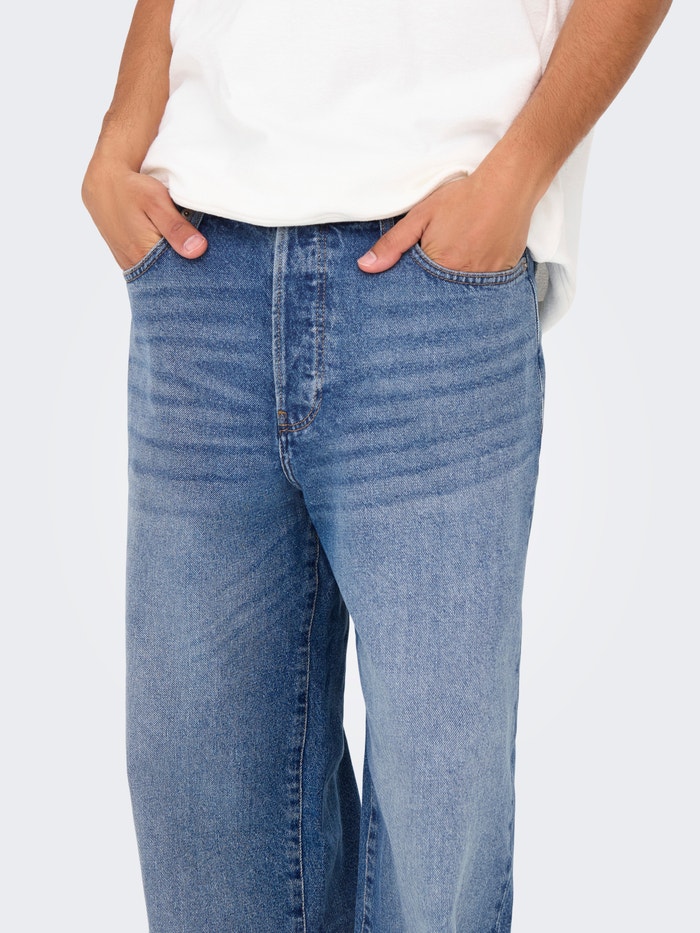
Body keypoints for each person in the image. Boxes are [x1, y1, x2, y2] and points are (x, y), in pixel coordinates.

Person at [82, 1, 672, 930]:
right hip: (201, 269)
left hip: (436, 275)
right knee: (202, 829)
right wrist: (122, 131)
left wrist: (516, 176)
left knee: (441, 843)